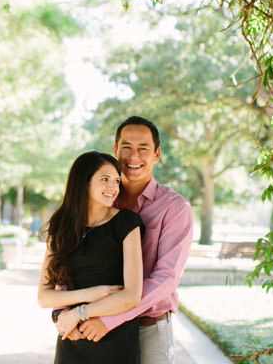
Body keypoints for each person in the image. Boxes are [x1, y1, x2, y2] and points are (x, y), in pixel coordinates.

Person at [55, 116, 194, 364]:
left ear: (157, 154)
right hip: (89, 326)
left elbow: (166, 279)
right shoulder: (97, 200)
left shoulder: (175, 208)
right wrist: (63, 313)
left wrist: (109, 319)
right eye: (127, 147)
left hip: (146, 327)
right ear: (115, 150)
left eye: (143, 149)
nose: (134, 156)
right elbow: (68, 259)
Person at [38, 151, 145, 363]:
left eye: (116, 181)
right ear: (82, 182)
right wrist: (92, 294)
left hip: (115, 339)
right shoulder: (60, 227)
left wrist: (79, 313)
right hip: (72, 337)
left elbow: (132, 296)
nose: (113, 188)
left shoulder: (127, 223)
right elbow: (44, 297)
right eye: (104, 179)